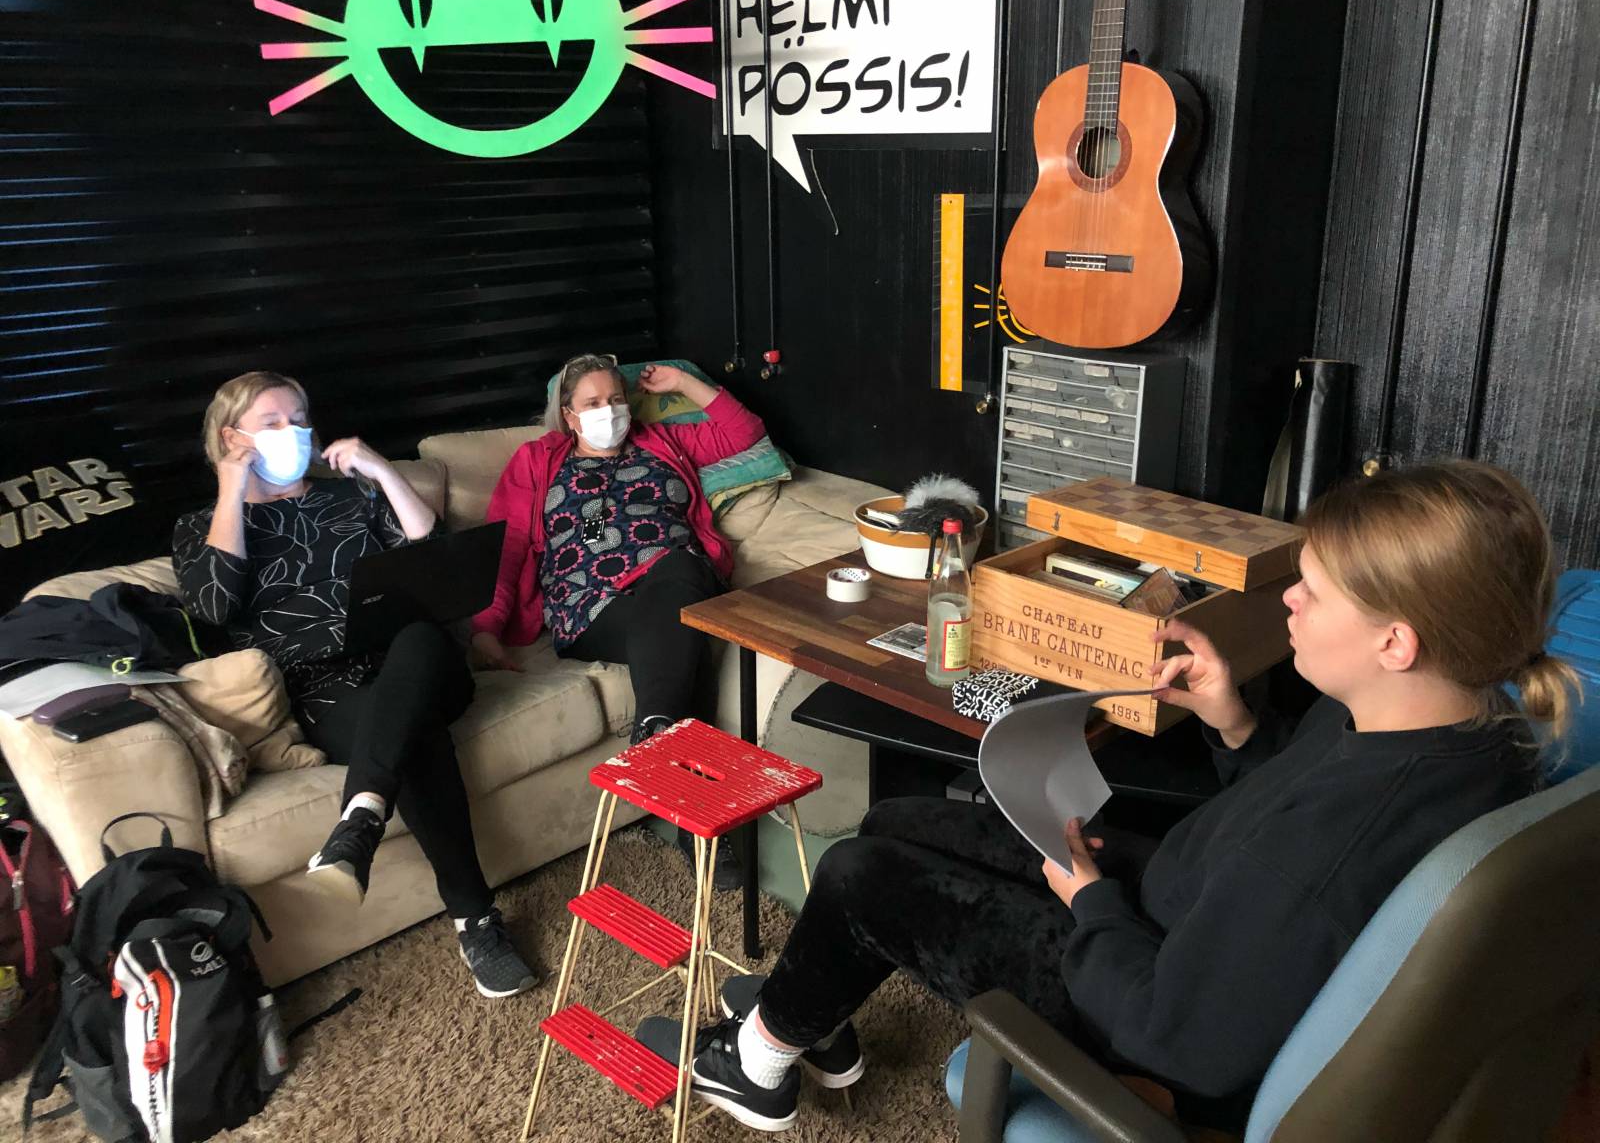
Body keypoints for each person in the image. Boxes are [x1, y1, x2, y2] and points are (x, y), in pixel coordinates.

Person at [638, 459, 1580, 1133]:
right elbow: (1285, 807)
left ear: (1395, 642)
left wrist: (1090, 901)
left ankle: (759, 1066)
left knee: (860, 873)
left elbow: (1181, 1039)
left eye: (1315, 593)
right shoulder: (1448, 723)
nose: (1290, 600)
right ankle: (814, 1019)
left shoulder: (1329, 850)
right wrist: (1233, 723)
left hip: (1139, 1001)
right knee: (896, 820)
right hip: (1175, 911)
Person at [172, 371, 541, 999]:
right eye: (272, 423)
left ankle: (362, 815)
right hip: (324, 690)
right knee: (413, 736)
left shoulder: (348, 498)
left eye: (300, 419)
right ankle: (475, 920)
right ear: (232, 437)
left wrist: (381, 470)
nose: (294, 432)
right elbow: (212, 605)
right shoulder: (201, 526)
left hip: (418, 660)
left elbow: (434, 552)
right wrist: (232, 486)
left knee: (419, 636)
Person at [470, 355, 767, 889]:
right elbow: (505, 549)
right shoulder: (538, 461)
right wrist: (486, 628)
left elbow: (744, 432)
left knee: (680, 583)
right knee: (686, 624)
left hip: (675, 581)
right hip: (590, 603)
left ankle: (660, 741)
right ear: (569, 415)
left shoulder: (662, 442)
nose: (608, 411)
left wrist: (682, 382)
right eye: (592, 403)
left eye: (615, 400)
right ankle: (694, 807)